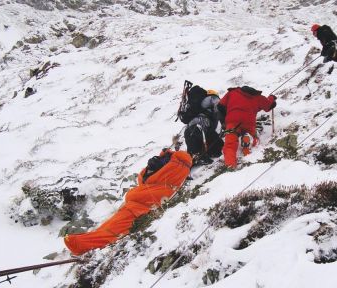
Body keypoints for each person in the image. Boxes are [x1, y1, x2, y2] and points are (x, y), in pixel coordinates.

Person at [64, 148, 193, 255]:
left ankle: (87, 244)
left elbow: (154, 189)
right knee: (111, 225)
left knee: (115, 228)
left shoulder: (172, 171)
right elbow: (149, 181)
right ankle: (88, 241)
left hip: (139, 208)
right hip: (136, 203)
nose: (149, 168)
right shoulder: (172, 170)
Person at [217, 86, 276, 168]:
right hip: (248, 122)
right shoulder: (258, 97)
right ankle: (249, 139)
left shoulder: (232, 92)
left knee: (230, 144)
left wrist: (224, 121)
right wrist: (272, 98)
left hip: (232, 121)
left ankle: (230, 166)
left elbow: (220, 106)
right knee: (253, 136)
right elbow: (269, 105)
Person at [184, 89, 225, 165]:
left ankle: (195, 154)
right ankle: (197, 155)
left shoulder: (202, 105)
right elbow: (219, 107)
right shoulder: (211, 99)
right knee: (197, 134)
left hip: (197, 125)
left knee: (195, 136)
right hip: (201, 124)